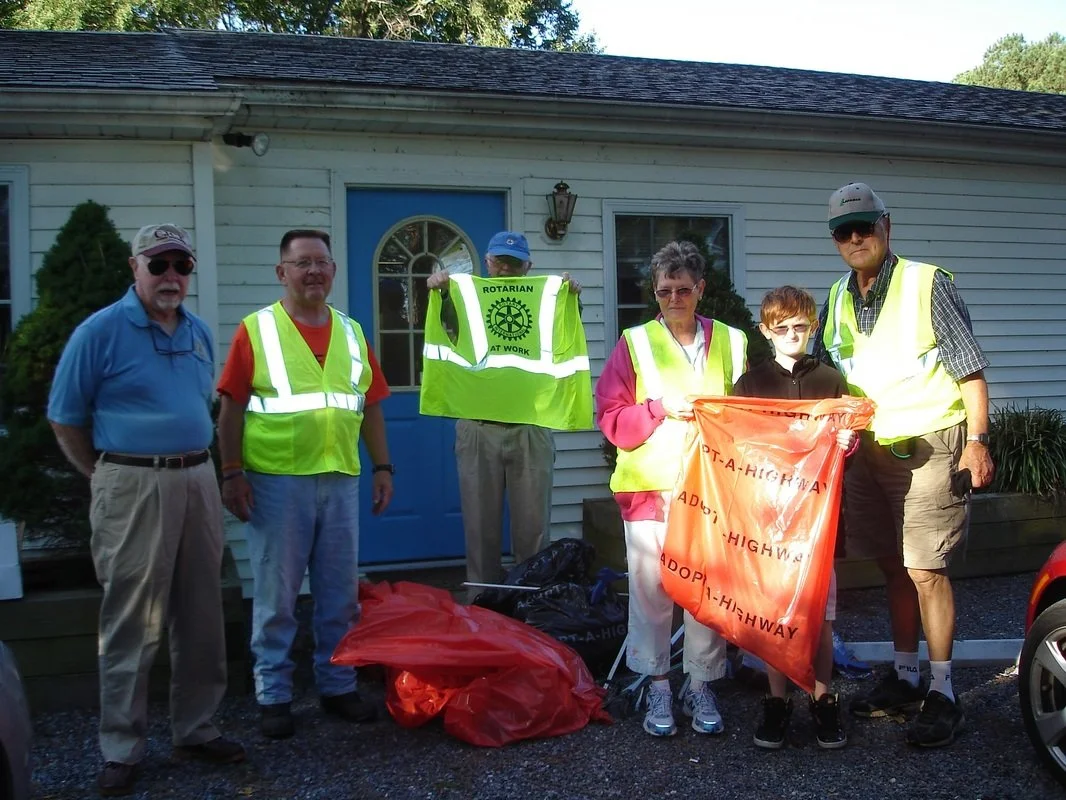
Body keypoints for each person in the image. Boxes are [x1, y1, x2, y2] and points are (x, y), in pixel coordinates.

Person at [47, 223, 245, 796]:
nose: (171, 276)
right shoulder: (100, 332)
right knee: (132, 618)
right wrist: (104, 475)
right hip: (132, 482)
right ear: (134, 268)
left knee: (202, 610)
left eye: (181, 265)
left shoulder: (200, 332)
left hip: (196, 478)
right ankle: (121, 745)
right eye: (158, 265)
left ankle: (196, 727)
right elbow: (65, 416)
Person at [816, 182, 995, 748]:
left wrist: (979, 441)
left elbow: (969, 370)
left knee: (926, 570)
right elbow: (827, 378)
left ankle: (943, 692)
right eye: (843, 232)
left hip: (929, 448)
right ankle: (906, 676)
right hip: (868, 452)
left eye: (864, 226)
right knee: (892, 566)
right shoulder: (837, 298)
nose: (855, 239)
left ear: (886, 225)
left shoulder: (926, 284)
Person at [216, 229, 394, 739]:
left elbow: (371, 406)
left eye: (321, 262)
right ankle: (274, 695)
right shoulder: (258, 330)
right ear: (282, 273)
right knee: (277, 596)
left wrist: (384, 467)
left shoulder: (353, 332)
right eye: (301, 263)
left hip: (339, 479)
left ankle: (337, 685)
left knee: (339, 595)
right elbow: (230, 408)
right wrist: (231, 473)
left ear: (333, 270)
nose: (313, 271)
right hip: (276, 484)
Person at [596, 239, 747, 738]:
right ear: (654, 293)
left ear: (701, 289)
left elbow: (750, 415)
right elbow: (611, 417)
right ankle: (658, 682)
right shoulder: (634, 343)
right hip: (649, 490)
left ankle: (700, 682)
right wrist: (659, 407)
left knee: (706, 594)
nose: (675, 299)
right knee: (651, 592)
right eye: (665, 292)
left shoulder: (732, 341)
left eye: (684, 289)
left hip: (712, 489)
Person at [425, 231, 581, 600]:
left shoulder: (548, 301)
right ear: (488, 262)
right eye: (500, 261)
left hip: (531, 425)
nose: (507, 268)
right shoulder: (463, 299)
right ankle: (482, 608)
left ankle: (532, 606)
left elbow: (564, 334)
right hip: (479, 427)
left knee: (534, 531)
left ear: (529, 265)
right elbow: (443, 328)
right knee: (481, 530)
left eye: (515, 261)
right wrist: (441, 292)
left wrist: (569, 296)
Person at [733, 285, 857, 750]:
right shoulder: (751, 385)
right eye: (780, 327)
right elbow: (737, 447)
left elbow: (851, 444)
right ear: (766, 330)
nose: (791, 334)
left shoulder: (832, 381)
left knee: (821, 618)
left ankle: (823, 699)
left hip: (820, 523)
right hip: (770, 522)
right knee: (774, 616)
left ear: (813, 327)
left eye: (800, 326)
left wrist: (848, 444)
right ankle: (778, 699)